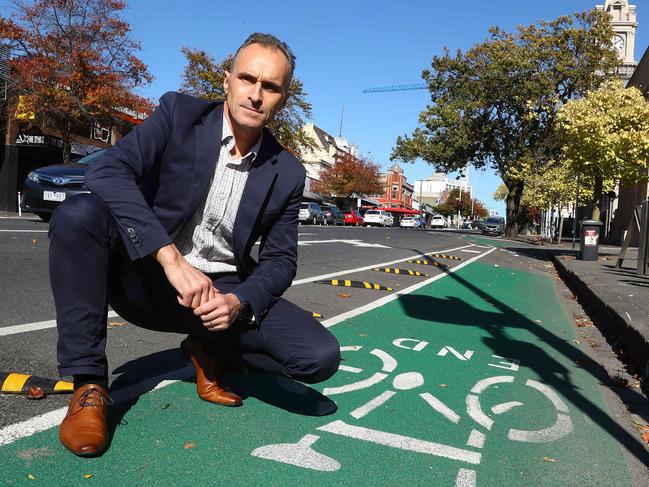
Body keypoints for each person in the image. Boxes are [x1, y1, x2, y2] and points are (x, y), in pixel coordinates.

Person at [49, 33, 341, 457]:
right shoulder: (178, 114)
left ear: (283, 97)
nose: (256, 95)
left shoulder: (288, 171)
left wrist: (239, 302)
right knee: (77, 215)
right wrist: (170, 258)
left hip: (217, 295)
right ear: (227, 80)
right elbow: (107, 172)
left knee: (319, 356)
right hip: (146, 277)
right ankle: (88, 386)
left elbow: (280, 261)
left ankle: (208, 351)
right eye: (247, 79)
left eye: (271, 87)